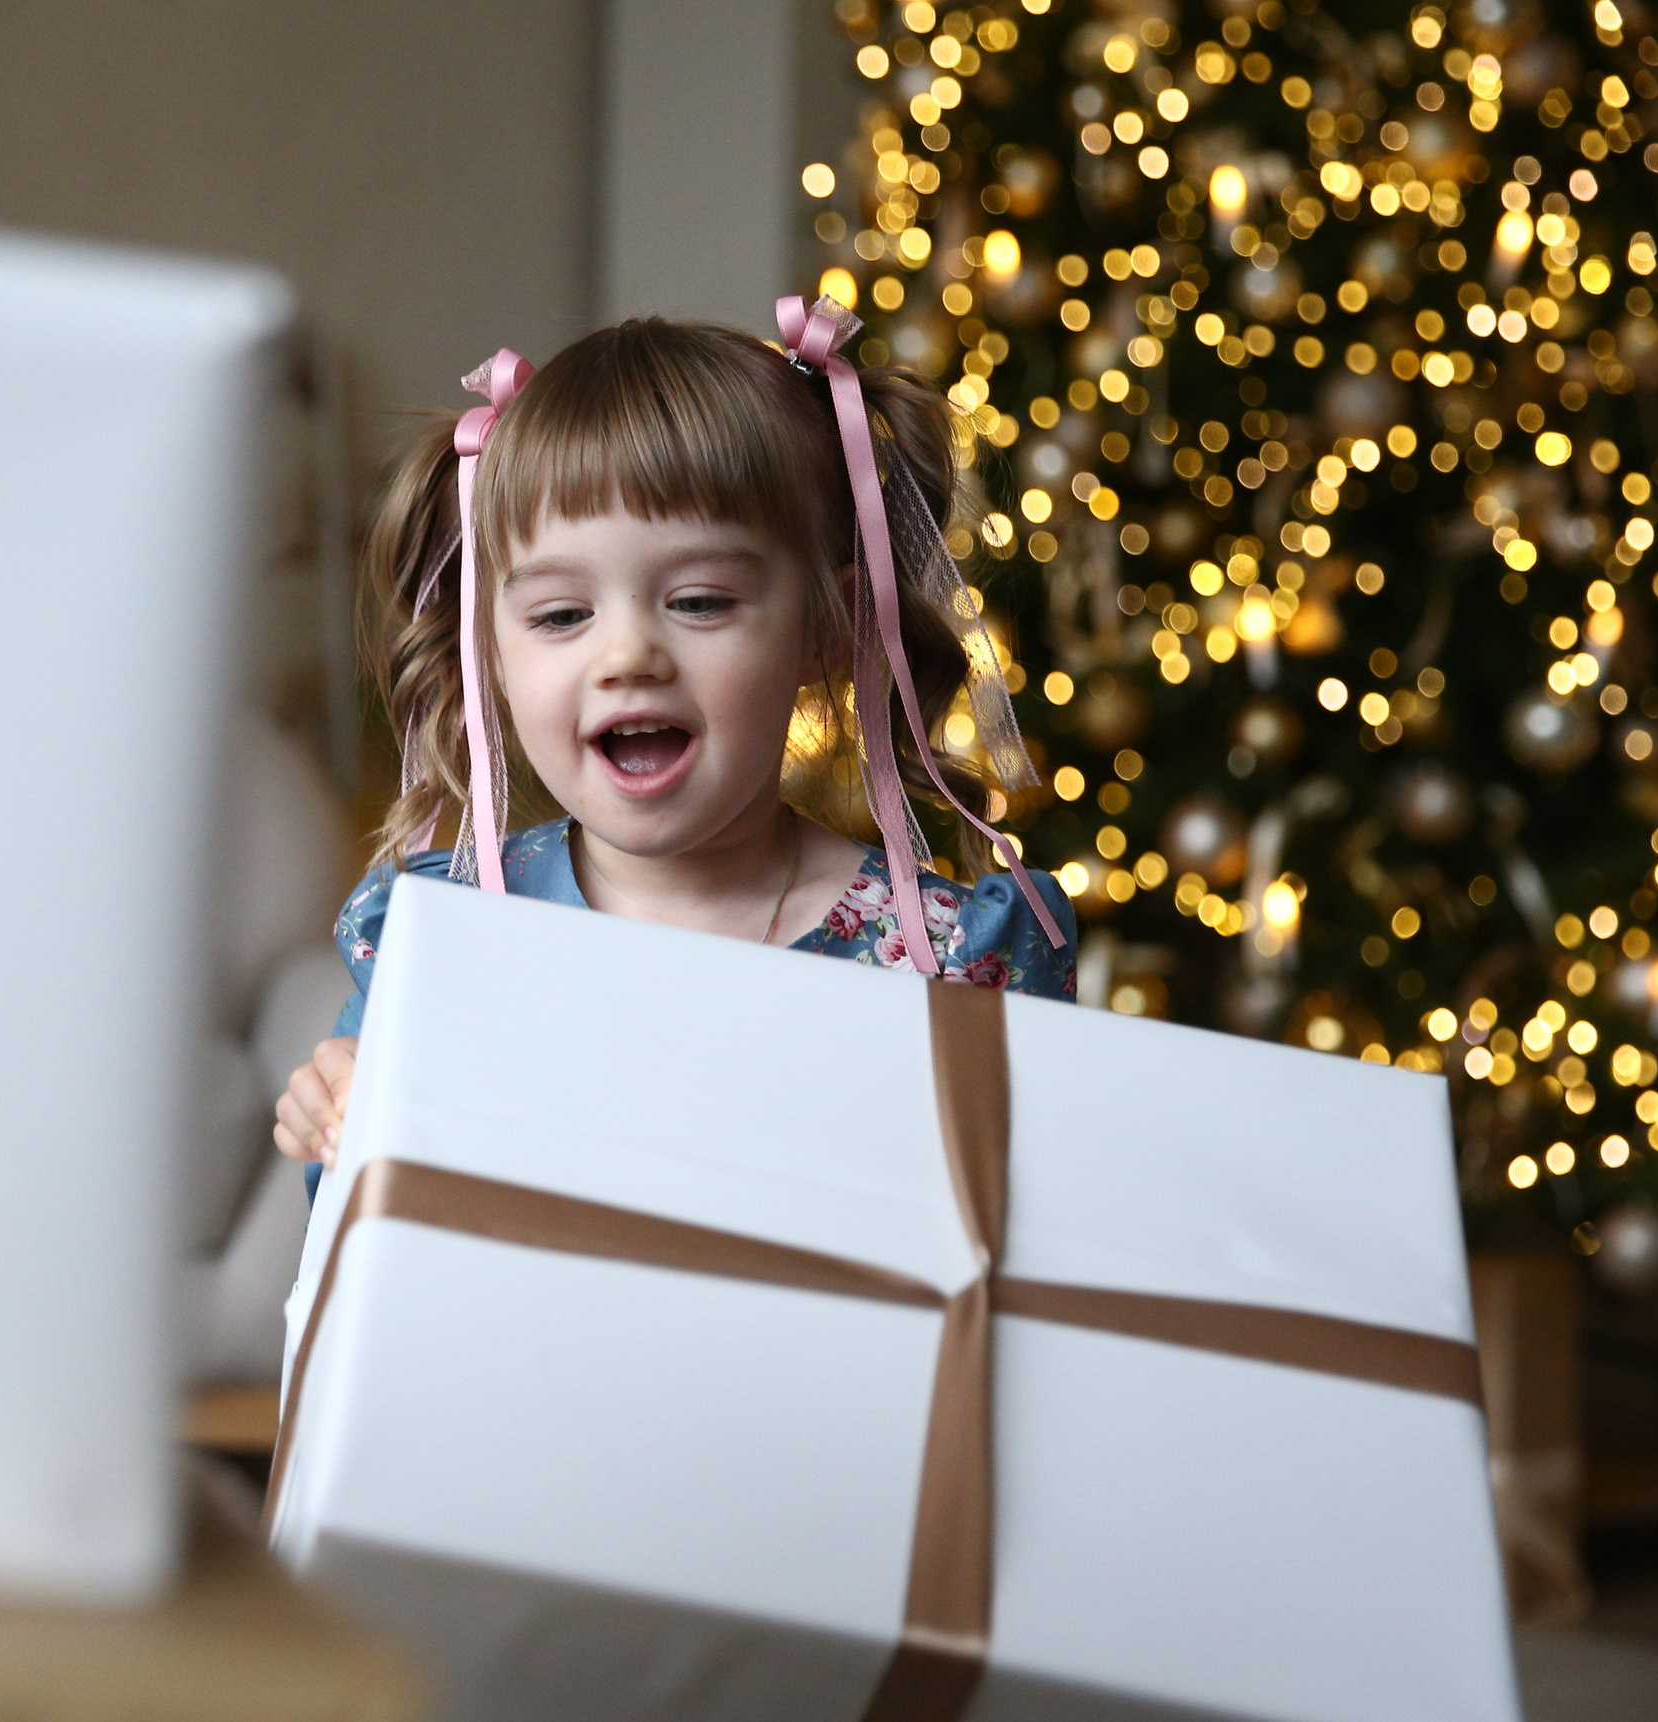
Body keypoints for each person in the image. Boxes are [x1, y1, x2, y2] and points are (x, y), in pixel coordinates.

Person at [274, 301, 1075, 1175]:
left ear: (827, 628)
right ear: (490, 653)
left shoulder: (949, 963)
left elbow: (1036, 1240)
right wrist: (344, 1122)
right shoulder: (448, 940)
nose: (627, 656)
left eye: (699, 602)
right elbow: (375, 1260)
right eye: (561, 614)